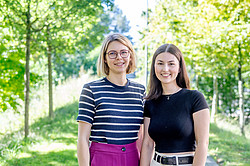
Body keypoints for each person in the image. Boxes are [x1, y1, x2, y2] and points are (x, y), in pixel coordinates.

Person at [77, 33, 145, 166]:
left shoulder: (140, 91)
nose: (119, 57)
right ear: (105, 59)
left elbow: (141, 137)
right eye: (112, 53)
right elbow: (83, 139)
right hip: (102, 159)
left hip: (132, 158)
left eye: (124, 52)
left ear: (130, 55)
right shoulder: (91, 90)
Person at [140, 44, 210, 166]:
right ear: (154, 67)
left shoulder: (195, 98)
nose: (165, 69)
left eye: (171, 64)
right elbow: (147, 144)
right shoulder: (150, 102)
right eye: (160, 63)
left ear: (179, 68)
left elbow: (203, 143)